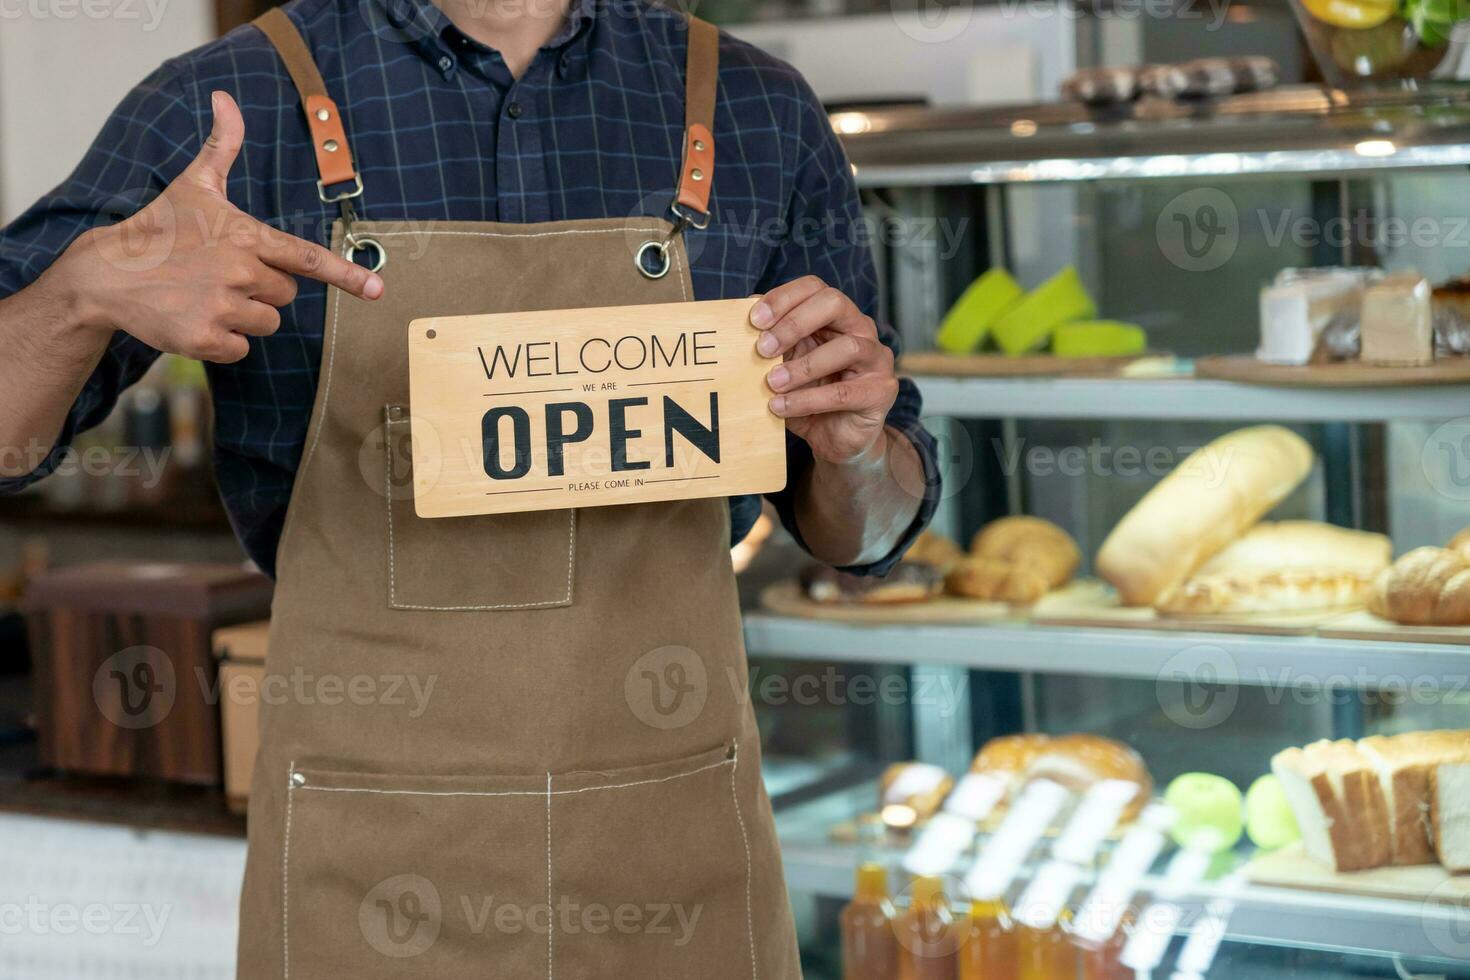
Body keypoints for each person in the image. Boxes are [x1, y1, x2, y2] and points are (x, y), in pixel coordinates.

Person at [0, 0, 940, 974]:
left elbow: (862, 532)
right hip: (373, 863)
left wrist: (855, 449)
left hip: (674, 849)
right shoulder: (227, 105)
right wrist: (83, 289)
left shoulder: (757, 109)